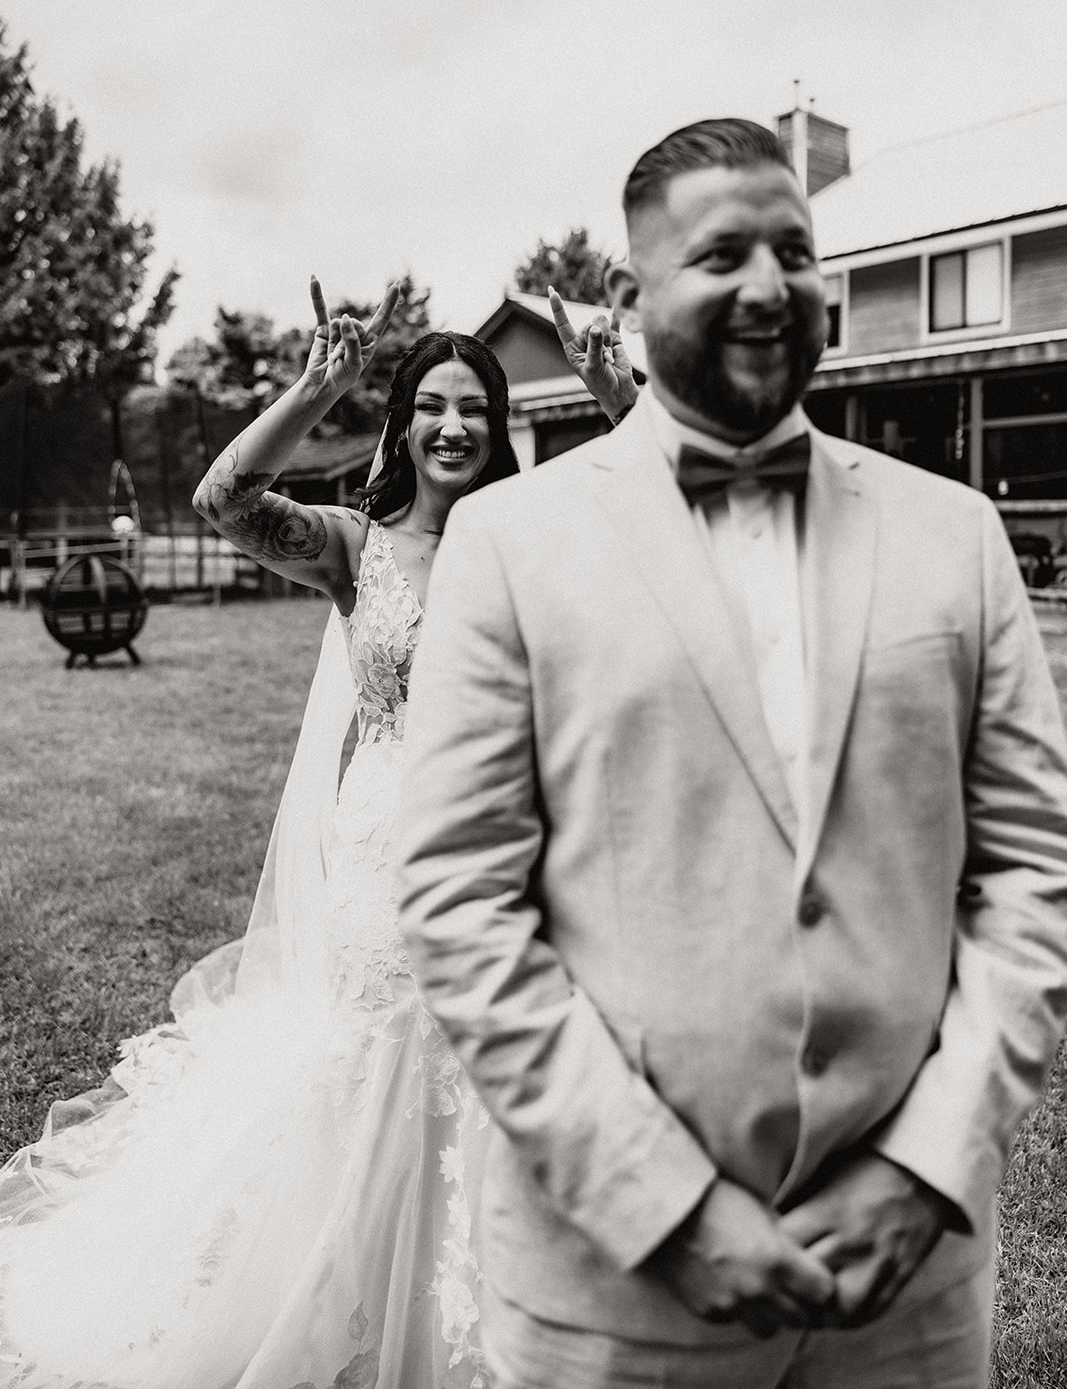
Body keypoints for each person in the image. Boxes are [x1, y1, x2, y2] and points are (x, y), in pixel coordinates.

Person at [395, 117, 1067, 1389]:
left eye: (795, 251)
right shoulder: (507, 541)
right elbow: (459, 900)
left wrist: (928, 1163)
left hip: (908, 1297)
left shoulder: (957, 534)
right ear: (622, 293)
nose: (768, 285)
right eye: (719, 254)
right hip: (615, 1289)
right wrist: (663, 1205)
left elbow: (1031, 870)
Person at [0, 278, 628, 1389]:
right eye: (430, 403)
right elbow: (223, 493)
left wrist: (614, 395)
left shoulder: (541, 536)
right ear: (402, 423)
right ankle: (352, 1294)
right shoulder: (353, 545)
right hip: (388, 856)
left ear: (497, 427)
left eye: (473, 407)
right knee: (385, 1068)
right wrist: (313, 386)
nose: (450, 424)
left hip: (512, 847)